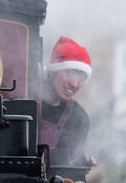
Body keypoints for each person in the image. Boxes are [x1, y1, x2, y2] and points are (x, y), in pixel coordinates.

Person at [38, 35, 93, 164]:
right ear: (54, 72)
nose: (74, 84)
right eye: (69, 74)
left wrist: (80, 163)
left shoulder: (78, 117)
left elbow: (72, 162)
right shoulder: (25, 98)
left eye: (81, 78)